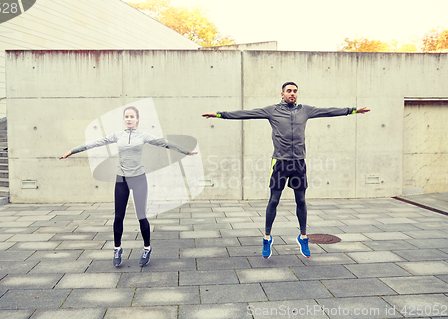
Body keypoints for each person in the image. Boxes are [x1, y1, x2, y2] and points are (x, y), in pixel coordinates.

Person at [202, 82, 370, 259]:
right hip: (280, 163)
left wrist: (353, 110)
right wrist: (219, 114)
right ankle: (267, 238)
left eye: (295, 91)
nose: (292, 94)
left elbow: (328, 111)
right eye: (289, 91)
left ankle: (303, 236)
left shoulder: (306, 110)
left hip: (298, 163)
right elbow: (246, 114)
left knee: (301, 201)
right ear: (282, 94)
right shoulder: (272, 111)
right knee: (274, 201)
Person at [60, 106, 197, 267]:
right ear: (124, 119)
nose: (129, 119)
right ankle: (117, 249)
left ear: (137, 119)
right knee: (119, 216)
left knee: (141, 216)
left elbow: (164, 143)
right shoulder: (118, 135)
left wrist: (185, 152)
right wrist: (71, 151)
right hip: (122, 180)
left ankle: (147, 248)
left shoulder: (143, 136)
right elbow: (95, 143)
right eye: (126, 117)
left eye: (132, 116)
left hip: (139, 179)